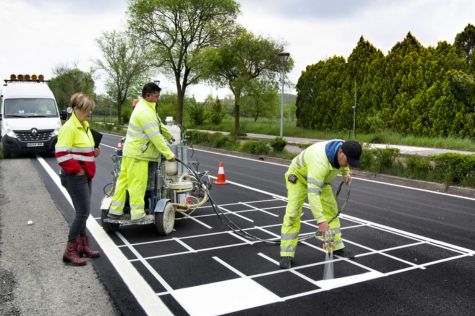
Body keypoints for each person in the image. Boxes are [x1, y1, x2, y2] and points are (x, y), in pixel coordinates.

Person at [279, 139, 362, 269]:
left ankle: (335, 248)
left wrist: (346, 173)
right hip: (298, 177)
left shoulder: (344, 149)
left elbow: (344, 165)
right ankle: (286, 254)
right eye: (347, 161)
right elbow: (313, 194)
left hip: (321, 180)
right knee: (293, 213)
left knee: (331, 211)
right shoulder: (320, 161)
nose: (347, 164)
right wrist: (321, 221)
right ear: (340, 152)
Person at [108, 82, 175, 221]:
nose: (158, 99)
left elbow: (158, 124)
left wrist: (169, 135)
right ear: (147, 95)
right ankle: (138, 214)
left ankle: (115, 210)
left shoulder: (146, 108)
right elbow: (155, 136)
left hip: (131, 152)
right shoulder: (145, 111)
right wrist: (169, 154)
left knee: (124, 182)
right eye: (156, 96)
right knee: (137, 184)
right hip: (139, 154)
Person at [56, 93, 101, 266]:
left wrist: (94, 152)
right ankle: (70, 250)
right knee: (83, 213)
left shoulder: (84, 125)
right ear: (76, 109)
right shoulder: (69, 128)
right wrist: (78, 171)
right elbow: (61, 154)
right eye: (86, 110)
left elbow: (83, 149)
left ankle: (83, 245)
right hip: (75, 177)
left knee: (83, 212)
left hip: (85, 175)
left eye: (90, 109)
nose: (89, 113)